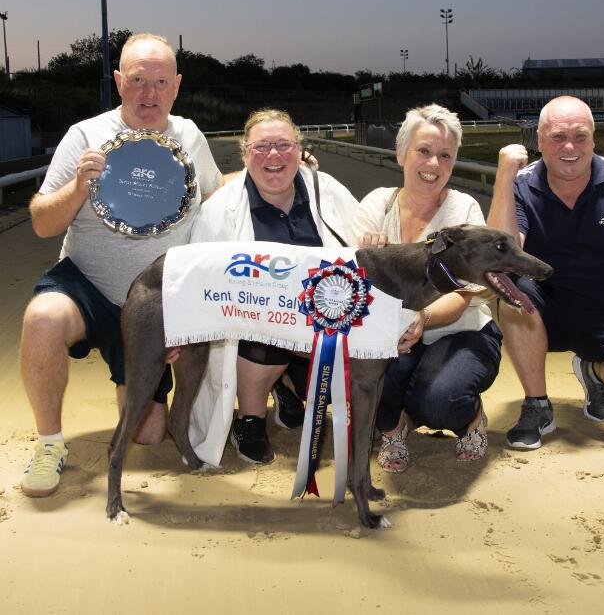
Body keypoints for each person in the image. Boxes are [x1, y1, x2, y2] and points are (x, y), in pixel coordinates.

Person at [20, 33, 223, 497]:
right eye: (136, 80)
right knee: (43, 319)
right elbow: (40, 223)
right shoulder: (85, 135)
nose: (149, 93)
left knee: (146, 434)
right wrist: (76, 189)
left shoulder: (189, 136)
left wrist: (280, 166)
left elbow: (217, 194)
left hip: (154, 300)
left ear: (176, 85)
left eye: (160, 82)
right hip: (88, 285)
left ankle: (134, 384)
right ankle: (49, 444)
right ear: (118, 81)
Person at [187, 108, 365, 467]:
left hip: (322, 325)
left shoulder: (327, 190)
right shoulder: (219, 211)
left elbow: (363, 252)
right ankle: (250, 419)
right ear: (245, 153)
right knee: (258, 308)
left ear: (299, 151)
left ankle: (286, 386)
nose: (273, 155)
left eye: (283, 145)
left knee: (358, 373)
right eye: (262, 146)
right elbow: (200, 286)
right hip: (260, 334)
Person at [487, 96, 604, 450]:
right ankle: (536, 404)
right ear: (538, 141)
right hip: (546, 307)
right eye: (557, 137)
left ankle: (592, 370)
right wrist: (504, 177)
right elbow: (503, 257)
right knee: (512, 297)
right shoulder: (521, 185)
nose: (570, 147)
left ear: (594, 139)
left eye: (580, 136)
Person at [350, 103, 503, 471]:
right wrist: (366, 259)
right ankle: (395, 427)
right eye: (423, 151)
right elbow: (352, 286)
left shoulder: (463, 211)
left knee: (438, 400)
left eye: (445, 155)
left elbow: (462, 295)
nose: (433, 164)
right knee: (369, 374)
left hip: (458, 329)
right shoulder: (377, 203)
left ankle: (471, 419)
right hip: (394, 334)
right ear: (402, 152)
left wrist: (421, 316)